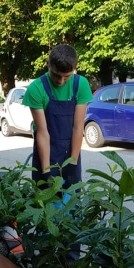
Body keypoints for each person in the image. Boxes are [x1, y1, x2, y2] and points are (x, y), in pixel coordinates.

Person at [22, 44, 93, 188]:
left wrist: (73, 162)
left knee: (72, 204)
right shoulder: (36, 88)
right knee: (45, 203)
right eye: (56, 75)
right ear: (48, 64)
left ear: (74, 68)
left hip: (70, 153)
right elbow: (43, 133)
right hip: (46, 154)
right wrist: (46, 171)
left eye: (66, 76)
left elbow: (78, 127)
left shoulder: (81, 84)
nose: (60, 81)